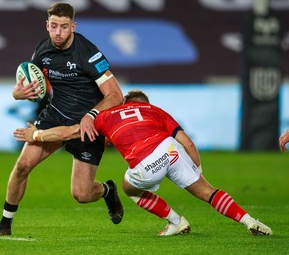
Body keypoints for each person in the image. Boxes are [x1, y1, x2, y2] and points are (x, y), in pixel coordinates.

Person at [14, 90, 273, 236]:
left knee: (129, 189)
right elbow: (189, 143)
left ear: (126, 104)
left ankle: (175, 222)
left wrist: (36, 135)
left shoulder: (106, 116)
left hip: (145, 160)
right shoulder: (157, 111)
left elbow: (69, 132)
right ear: (145, 105)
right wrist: (196, 171)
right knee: (207, 192)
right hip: (170, 150)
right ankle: (249, 220)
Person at [0, 3, 124, 236]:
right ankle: (5, 224)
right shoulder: (43, 49)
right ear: (47, 25)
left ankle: (107, 190)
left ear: (73, 27)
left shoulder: (88, 52)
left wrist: (92, 115)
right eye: (54, 26)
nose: (58, 32)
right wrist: (17, 93)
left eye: (64, 27)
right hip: (55, 115)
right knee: (23, 165)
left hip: (86, 125)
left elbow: (116, 95)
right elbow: (31, 83)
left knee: (82, 194)